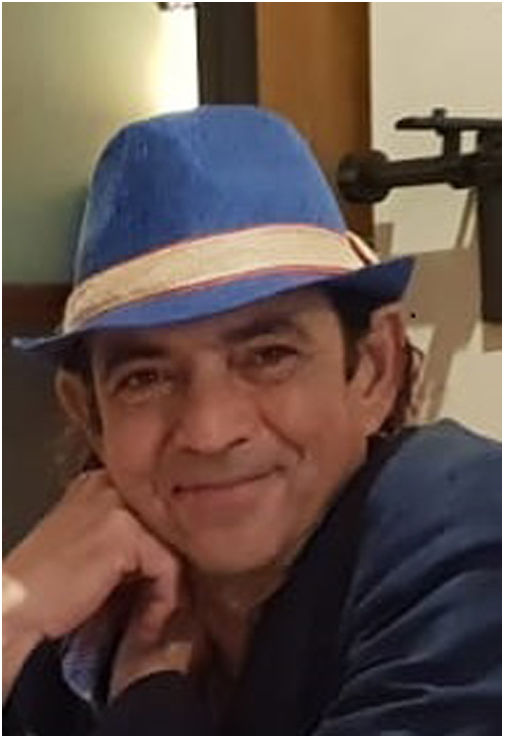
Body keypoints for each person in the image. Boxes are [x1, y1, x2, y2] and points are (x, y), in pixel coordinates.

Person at [3, 106, 500, 736]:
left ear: (374, 370)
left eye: (269, 356)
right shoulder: (76, 605)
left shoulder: (468, 528)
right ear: (91, 416)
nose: (210, 431)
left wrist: (151, 690)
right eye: (145, 378)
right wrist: (12, 611)